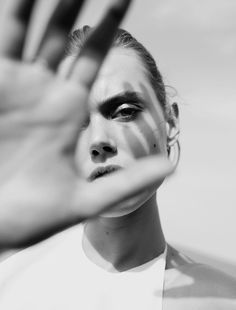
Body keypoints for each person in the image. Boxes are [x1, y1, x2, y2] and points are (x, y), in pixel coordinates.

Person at [0, 0, 235, 309]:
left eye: (124, 112)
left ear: (171, 122)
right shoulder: (11, 284)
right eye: (75, 123)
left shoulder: (219, 299)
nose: (99, 140)